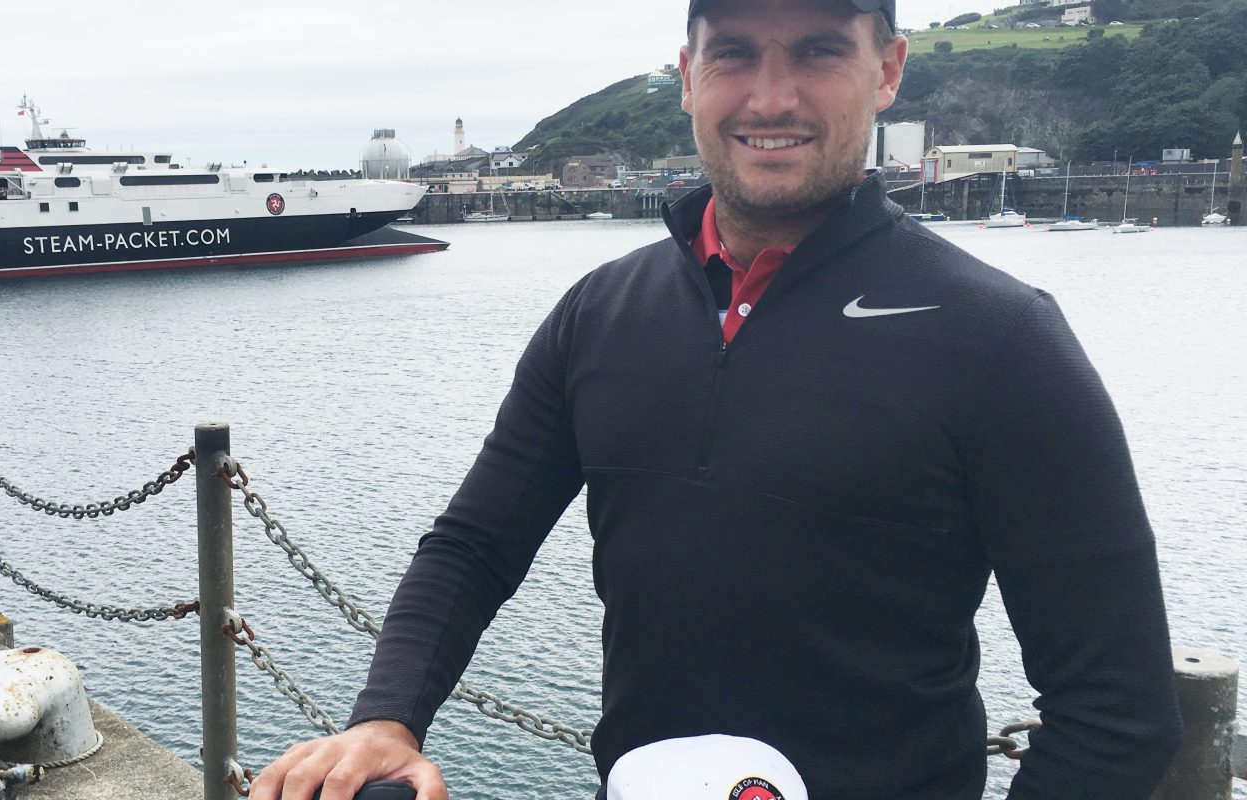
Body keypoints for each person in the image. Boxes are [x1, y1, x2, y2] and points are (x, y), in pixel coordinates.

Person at [249, 0, 1183, 797]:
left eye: (819, 49)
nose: (771, 97)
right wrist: (388, 718)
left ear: (888, 70)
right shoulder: (600, 312)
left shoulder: (999, 336)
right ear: (689, 74)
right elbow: (474, 545)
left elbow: (1117, 711)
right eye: (734, 51)